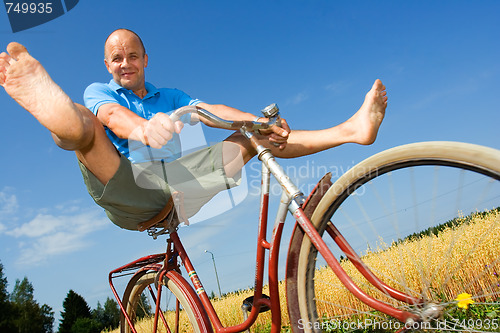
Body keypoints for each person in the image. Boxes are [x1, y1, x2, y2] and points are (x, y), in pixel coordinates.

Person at [0, 30, 388, 231]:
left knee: (256, 136)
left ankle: (352, 130)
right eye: (116, 58)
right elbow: (113, 116)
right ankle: (55, 113)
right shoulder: (101, 91)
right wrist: (142, 128)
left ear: (145, 60)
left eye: (132, 55)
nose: (125, 63)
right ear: (107, 65)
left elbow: (207, 111)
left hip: (180, 185)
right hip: (127, 186)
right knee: (83, 124)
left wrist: (255, 119)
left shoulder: (168, 96)